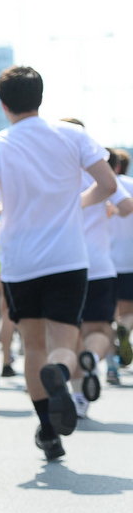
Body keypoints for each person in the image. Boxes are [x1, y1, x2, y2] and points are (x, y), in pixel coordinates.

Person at [0, 67, 116, 461]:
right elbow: (108, 185)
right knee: (63, 342)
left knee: (32, 345)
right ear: (40, 97)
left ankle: (49, 432)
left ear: (3, 104)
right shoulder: (72, 135)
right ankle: (63, 374)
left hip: (20, 260)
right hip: (68, 258)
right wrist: (76, 204)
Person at [58, 129, 132, 418]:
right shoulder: (96, 172)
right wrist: (111, 210)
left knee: (71, 332)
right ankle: (93, 357)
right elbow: (126, 205)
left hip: (64, 264)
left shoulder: (56, 173)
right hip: (101, 264)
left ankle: (78, 398)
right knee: (100, 329)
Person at [110, 150, 133, 373]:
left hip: (102, 260)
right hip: (129, 258)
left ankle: (110, 366)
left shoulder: (94, 185)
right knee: (128, 311)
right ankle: (124, 328)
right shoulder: (130, 186)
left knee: (104, 315)